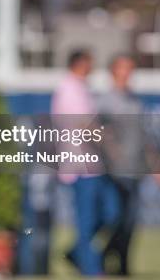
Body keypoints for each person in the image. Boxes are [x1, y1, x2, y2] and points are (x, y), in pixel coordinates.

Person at [97, 54, 160, 276]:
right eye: (123, 69)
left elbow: (145, 137)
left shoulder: (135, 101)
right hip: (115, 172)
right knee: (116, 219)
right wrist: (112, 153)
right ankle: (99, 257)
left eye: (130, 69)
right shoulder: (106, 101)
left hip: (136, 170)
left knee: (131, 222)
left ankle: (122, 265)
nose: (128, 74)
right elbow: (95, 131)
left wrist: (157, 164)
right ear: (113, 73)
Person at [51, 50, 119, 276]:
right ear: (79, 63)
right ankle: (91, 269)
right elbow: (82, 124)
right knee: (86, 219)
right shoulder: (69, 88)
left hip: (93, 165)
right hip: (79, 166)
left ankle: (77, 253)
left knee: (111, 213)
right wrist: (107, 139)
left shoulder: (82, 88)